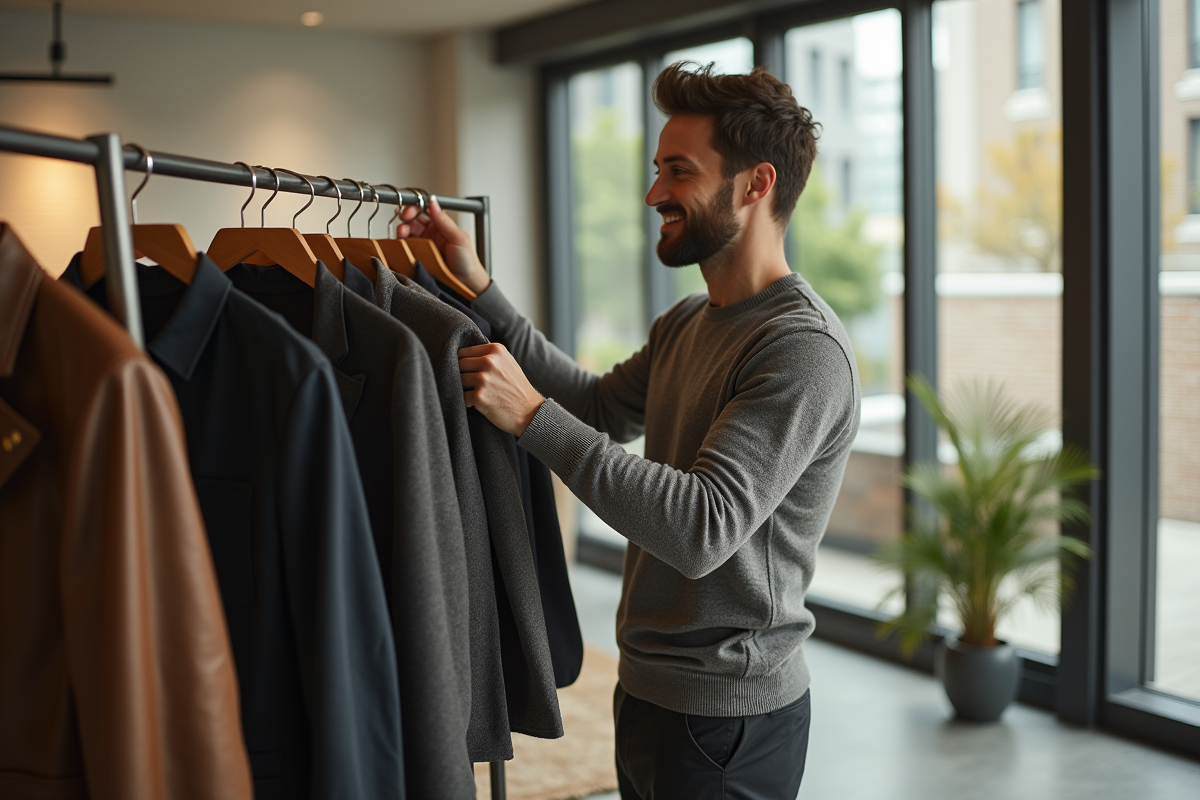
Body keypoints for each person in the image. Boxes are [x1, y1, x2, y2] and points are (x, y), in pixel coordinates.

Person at [400, 61, 861, 800]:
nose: (654, 195)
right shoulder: (688, 319)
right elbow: (598, 408)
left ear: (756, 184)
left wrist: (528, 416)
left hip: (729, 719)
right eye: (656, 171)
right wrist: (482, 288)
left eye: (678, 172)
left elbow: (702, 526)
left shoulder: (802, 350)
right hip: (650, 688)